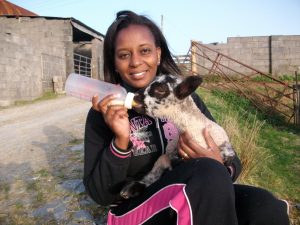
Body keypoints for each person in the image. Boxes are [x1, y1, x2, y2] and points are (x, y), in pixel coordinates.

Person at [83, 10, 289, 225]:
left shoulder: (187, 101)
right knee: (208, 173)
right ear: (114, 62)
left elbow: (231, 158)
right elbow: (101, 195)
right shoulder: (105, 113)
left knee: (265, 206)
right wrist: (120, 140)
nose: (135, 62)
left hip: (195, 189)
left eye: (145, 51)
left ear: (158, 54)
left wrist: (221, 165)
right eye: (124, 55)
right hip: (137, 208)